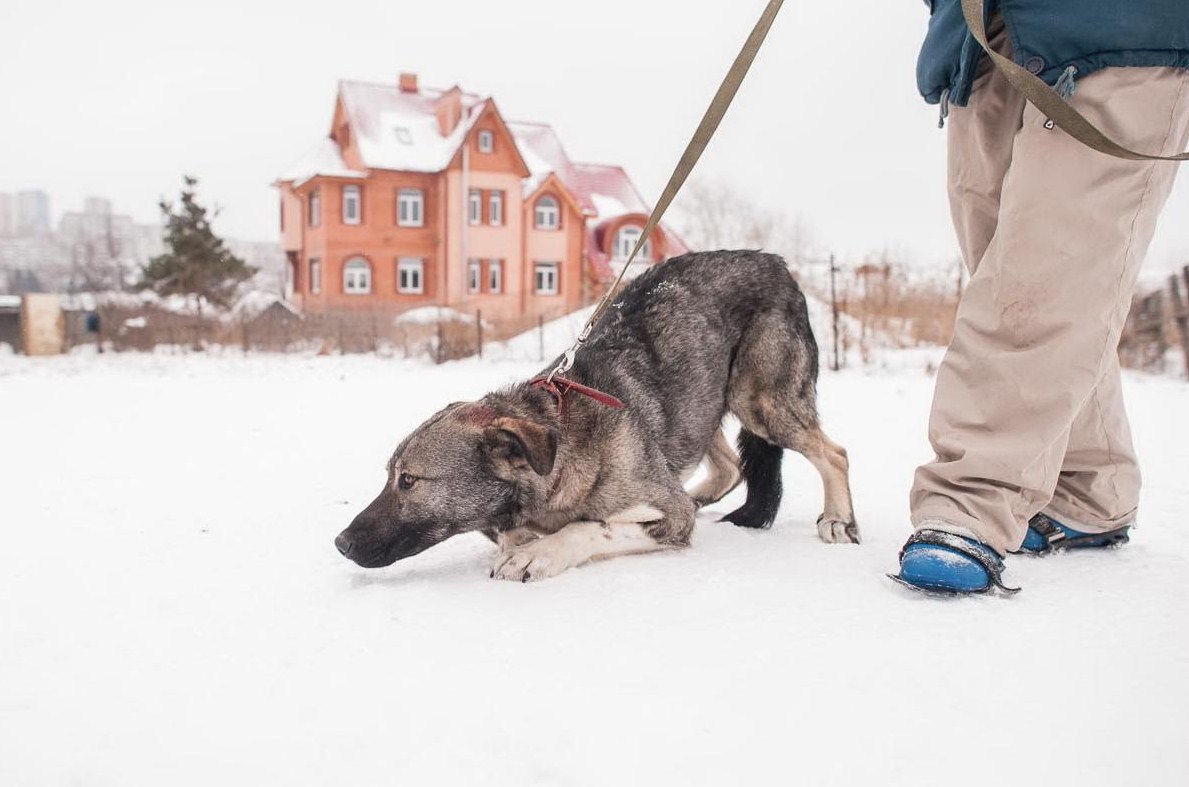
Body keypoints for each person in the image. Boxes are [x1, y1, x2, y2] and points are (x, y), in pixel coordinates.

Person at [892, 1, 1189, 594]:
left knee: (1038, 282)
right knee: (1019, 276)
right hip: (980, 35)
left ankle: (971, 500)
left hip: (1119, 31)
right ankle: (1089, 488)